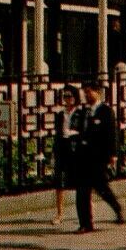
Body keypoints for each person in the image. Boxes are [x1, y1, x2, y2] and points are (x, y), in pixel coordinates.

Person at [73, 82, 124, 231]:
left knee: (102, 187)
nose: (86, 96)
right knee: (82, 190)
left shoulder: (106, 111)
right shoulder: (83, 111)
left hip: (99, 156)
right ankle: (85, 223)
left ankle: (117, 208)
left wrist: (112, 154)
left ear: (97, 92)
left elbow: (112, 133)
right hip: (84, 156)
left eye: (89, 92)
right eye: (84, 93)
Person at [52, 86, 82, 226]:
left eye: (69, 96)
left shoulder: (80, 114)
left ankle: (86, 208)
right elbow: (57, 133)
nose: (67, 99)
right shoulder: (60, 114)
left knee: (80, 181)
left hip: (75, 148)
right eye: (65, 96)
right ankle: (59, 213)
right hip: (62, 147)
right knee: (60, 182)